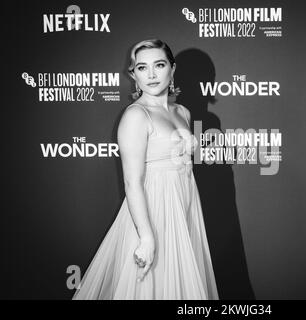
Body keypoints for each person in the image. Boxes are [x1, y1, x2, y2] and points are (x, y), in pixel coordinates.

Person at [73, 39, 219, 300]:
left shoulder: (182, 112)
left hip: (184, 205)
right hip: (154, 211)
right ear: (134, 74)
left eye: (159, 65)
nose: (151, 75)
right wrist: (147, 237)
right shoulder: (136, 115)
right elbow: (132, 182)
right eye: (142, 68)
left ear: (172, 69)